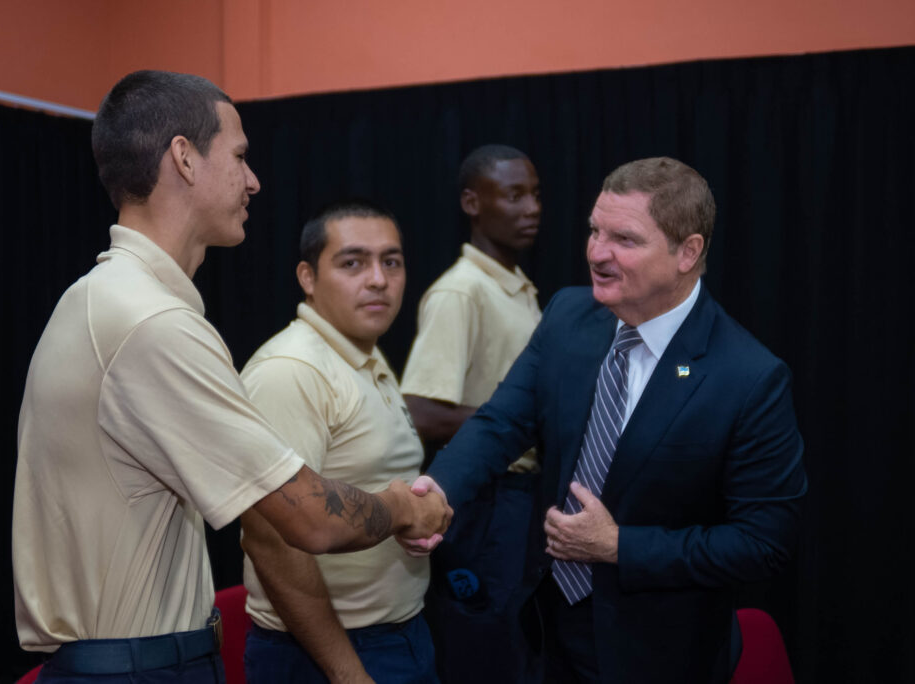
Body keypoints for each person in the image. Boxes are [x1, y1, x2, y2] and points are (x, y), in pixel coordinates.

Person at [12, 71, 450, 684]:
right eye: (240, 156)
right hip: (137, 670)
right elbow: (307, 518)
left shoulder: (104, 296)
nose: (253, 180)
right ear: (184, 158)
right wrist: (401, 507)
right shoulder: (152, 323)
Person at [407, 157, 807, 683]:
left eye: (625, 239)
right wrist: (436, 492)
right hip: (547, 626)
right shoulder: (568, 316)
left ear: (688, 252)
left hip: (658, 651)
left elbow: (763, 544)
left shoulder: (748, 378)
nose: (597, 252)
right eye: (595, 230)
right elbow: (500, 423)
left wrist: (620, 546)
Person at [239, 201, 436, 683]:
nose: (378, 280)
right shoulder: (292, 370)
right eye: (353, 263)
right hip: (326, 653)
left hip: (396, 634)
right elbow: (270, 542)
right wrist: (349, 674)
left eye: (391, 261)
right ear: (307, 277)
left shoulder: (361, 354)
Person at [399, 144, 542, 681]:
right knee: (483, 652)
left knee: (518, 649)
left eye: (536, 194)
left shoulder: (517, 288)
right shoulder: (461, 291)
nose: (532, 208)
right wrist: (525, 422)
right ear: (472, 202)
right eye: (514, 195)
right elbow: (419, 412)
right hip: (486, 505)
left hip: (521, 500)